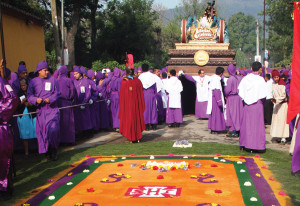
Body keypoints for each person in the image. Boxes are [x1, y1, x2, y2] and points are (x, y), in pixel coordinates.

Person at [27, 61, 60, 161]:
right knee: (43, 133)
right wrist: (35, 100)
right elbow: (29, 95)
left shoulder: (53, 80)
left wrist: (50, 99)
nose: (47, 72)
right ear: (39, 71)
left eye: (47, 70)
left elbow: (58, 93)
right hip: (40, 111)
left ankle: (53, 151)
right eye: (45, 70)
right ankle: (47, 152)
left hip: (52, 109)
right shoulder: (33, 82)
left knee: (53, 129)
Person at [238, 62, 267, 153]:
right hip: (257, 104)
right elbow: (264, 94)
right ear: (259, 69)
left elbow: (240, 91)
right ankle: (256, 145)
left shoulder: (245, 78)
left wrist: (246, 99)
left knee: (246, 125)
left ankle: (244, 144)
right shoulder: (261, 79)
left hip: (247, 104)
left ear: (251, 68)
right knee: (256, 125)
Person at [0, 65, 19, 200]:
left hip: (0, 127)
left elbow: (13, 98)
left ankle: (5, 188)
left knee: (2, 159)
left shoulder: (1, 82)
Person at [119, 68, 145, 143]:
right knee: (136, 117)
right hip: (136, 105)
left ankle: (130, 137)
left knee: (129, 118)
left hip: (128, 105)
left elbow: (122, 96)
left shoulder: (124, 82)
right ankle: (138, 137)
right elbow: (140, 93)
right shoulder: (138, 81)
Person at [16, 79, 37, 157]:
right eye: (22, 86)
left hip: (33, 116)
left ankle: (38, 150)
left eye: (24, 85)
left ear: (27, 85)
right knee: (25, 135)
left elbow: (36, 103)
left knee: (35, 132)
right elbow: (16, 107)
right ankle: (26, 152)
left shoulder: (31, 93)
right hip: (23, 116)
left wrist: (30, 104)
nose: (23, 87)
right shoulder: (18, 94)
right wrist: (22, 103)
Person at [57, 65, 76, 144]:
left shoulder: (56, 80)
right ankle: (69, 140)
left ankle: (61, 140)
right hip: (67, 102)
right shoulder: (68, 80)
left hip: (58, 103)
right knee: (69, 122)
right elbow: (73, 91)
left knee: (61, 122)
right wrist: (71, 98)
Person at [270, 70, 289, 145]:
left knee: (283, 121)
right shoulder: (273, 84)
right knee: (276, 121)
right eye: (275, 77)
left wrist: (277, 99)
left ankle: (283, 137)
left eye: (277, 77)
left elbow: (283, 96)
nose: (276, 78)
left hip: (283, 105)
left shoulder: (283, 84)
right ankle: (278, 136)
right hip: (276, 104)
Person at [73, 66, 94, 135]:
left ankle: (88, 132)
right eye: (74, 74)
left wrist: (84, 102)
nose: (75, 75)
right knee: (79, 118)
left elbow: (88, 92)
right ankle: (80, 132)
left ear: (80, 73)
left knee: (86, 118)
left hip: (84, 103)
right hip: (77, 103)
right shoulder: (74, 82)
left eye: (76, 74)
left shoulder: (85, 81)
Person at [224, 64, 243, 137]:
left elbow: (227, 90)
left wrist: (226, 94)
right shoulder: (240, 78)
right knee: (238, 114)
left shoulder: (231, 79)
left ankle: (234, 130)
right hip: (239, 97)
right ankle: (239, 129)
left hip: (232, 98)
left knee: (232, 114)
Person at [138, 64, 158, 130]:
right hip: (151, 93)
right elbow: (155, 85)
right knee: (153, 109)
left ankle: (146, 125)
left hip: (144, 93)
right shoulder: (152, 75)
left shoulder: (140, 76)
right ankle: (154, 124)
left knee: (145, 109)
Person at [207, 67, 226, 133]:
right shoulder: (216, 80)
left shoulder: (213, 78)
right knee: (217, 114)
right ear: (221, 73)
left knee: (213, 114)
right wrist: (219, 102)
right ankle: (215, 128)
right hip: (216, 100)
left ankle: (213, 128)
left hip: (213, 99)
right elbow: (216, 90)